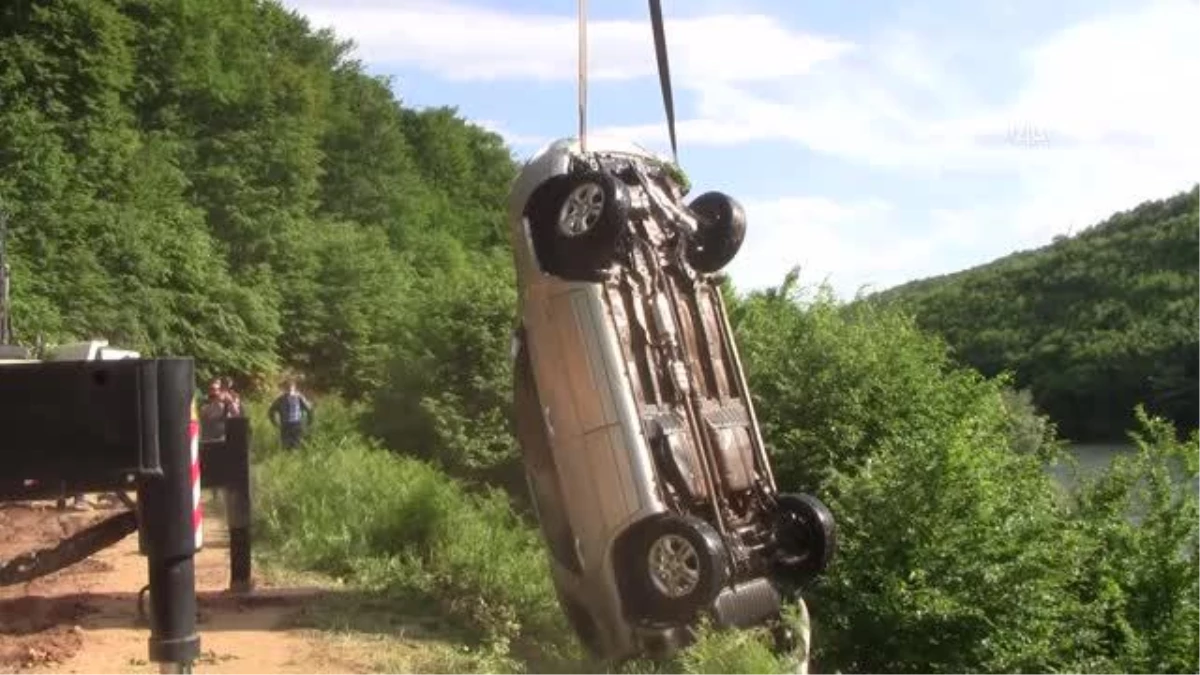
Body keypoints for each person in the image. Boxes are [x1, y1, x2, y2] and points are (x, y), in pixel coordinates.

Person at [268, 380, 313, 449]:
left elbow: (309, 409)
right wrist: (275, 423)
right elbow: (271, 411)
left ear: (294, 388)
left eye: (291, 387)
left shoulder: (299, 397)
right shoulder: (280, 399)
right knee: (286, 446)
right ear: (284, 389)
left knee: (297, 445)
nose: (289, 390)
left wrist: (309, 422)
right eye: (287, 388)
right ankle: (287, 458)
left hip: (296, 424)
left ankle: (294, 457)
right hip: (286, 425)